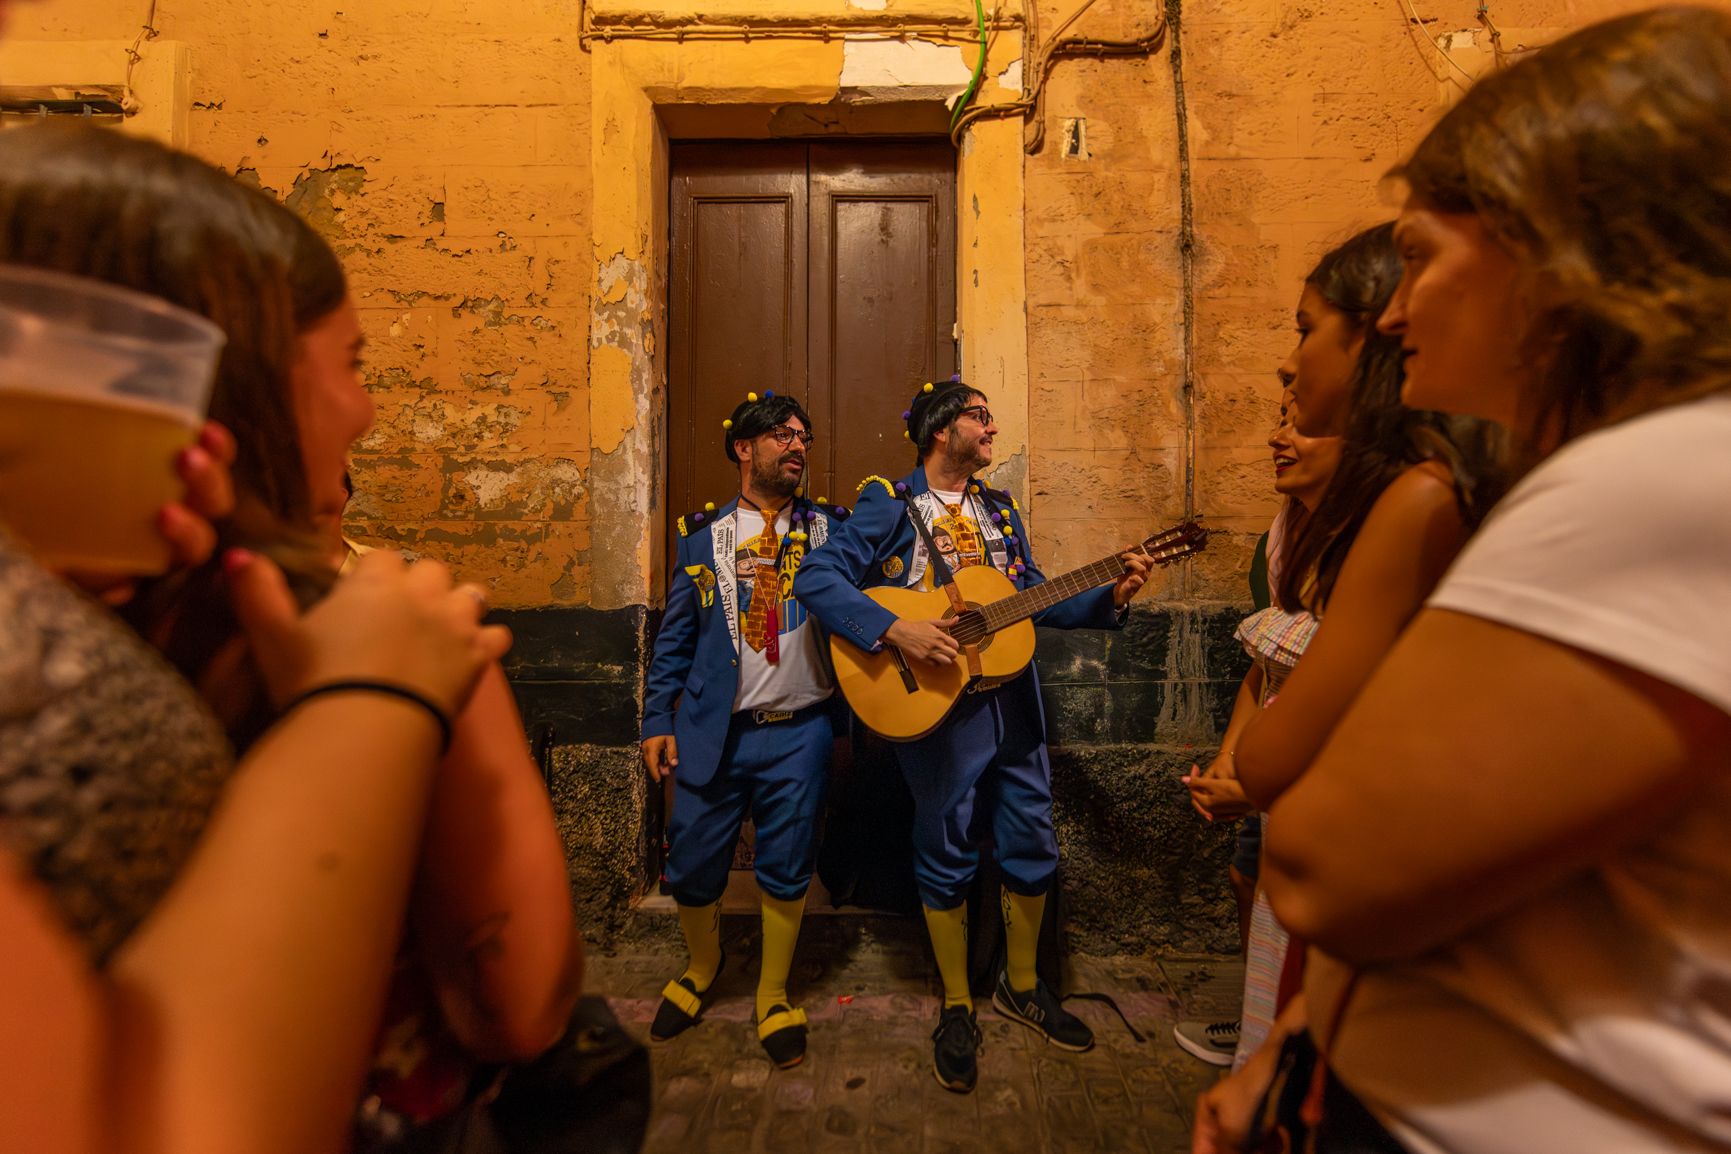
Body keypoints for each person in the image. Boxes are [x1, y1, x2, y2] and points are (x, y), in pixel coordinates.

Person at [0, 122, 585, 1139]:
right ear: (238, 382)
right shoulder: (380, 634)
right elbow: (521, 998)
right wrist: (390, 697)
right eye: (348, 363)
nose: (363, 412)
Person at [1238, 10, 1731, 1153]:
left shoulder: (1648, 479)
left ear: (1561, 247)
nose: (1396, 313)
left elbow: (1322, 858)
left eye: (1417, 256)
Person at [793, 378, 1155, 1093]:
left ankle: (1021, 986)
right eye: (978, 417)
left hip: (1011, 700)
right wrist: (894, 627)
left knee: (1031, 836)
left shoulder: (999, 508)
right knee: (946, 844)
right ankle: (955, 1002)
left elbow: (1032, 592)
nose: (991, 429)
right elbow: (817, 576)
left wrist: (1107, 595)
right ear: (938, 430)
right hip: (935, 706)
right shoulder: (888, 505)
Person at [641, 390, 847, 1069]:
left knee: (787, 868)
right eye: (782, 435)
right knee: (693, 865)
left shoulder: (830, 532)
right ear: (743, 448)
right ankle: (701, 968)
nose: (797, 447)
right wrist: (655, 720)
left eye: (803, 437)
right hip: (713, 733)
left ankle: (773, 992)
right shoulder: (701, 538)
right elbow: (673, 641)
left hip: (801, 731)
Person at [1173, 393, 1337, 1067]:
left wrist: (1262, 781)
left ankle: (1289, 1046)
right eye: (1276, 416)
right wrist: (1227, 759)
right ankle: (1260, 1025)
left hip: (1317, 781)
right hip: (1267, 771)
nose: (1276, 436)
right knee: (1250, 884)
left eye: (1300, 421)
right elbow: (1264, 669)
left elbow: (1345, 694)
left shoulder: (1374, 546)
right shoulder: (1282, 534)